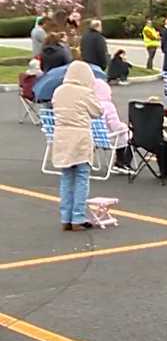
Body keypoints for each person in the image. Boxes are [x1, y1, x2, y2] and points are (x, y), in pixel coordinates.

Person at [50, 62, 102, 230]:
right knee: (81, 177)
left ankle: (65, 217)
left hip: (61, 137)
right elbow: (98, 112)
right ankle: (78, 217)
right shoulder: (85, 93)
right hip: (80, 138)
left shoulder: (58, 91)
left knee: (66, 177)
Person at [93, 78, 133, 173]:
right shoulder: (108, 106)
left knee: (122, 134)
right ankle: (121, 161)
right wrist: (124, 127)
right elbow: (114, 125)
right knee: (127, 134)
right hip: (109, 138)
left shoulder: (91, 104)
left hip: (95, 138)